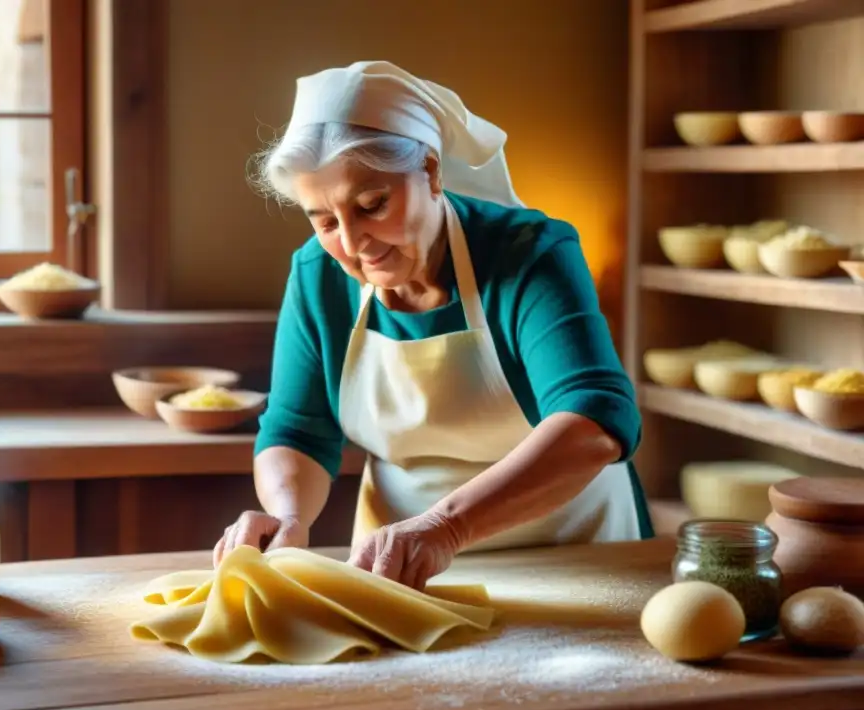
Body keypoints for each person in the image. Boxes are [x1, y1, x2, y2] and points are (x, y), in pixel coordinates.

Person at [214, 61, 652, 589]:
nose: (353, 245)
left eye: (372, 204)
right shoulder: (317, 276)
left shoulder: (530, 253)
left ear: (431, 169)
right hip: (403, 571)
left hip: (575, 560)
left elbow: (595, 420)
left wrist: (445, 527)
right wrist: (287, 516)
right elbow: (297, 431)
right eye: (326, 221)